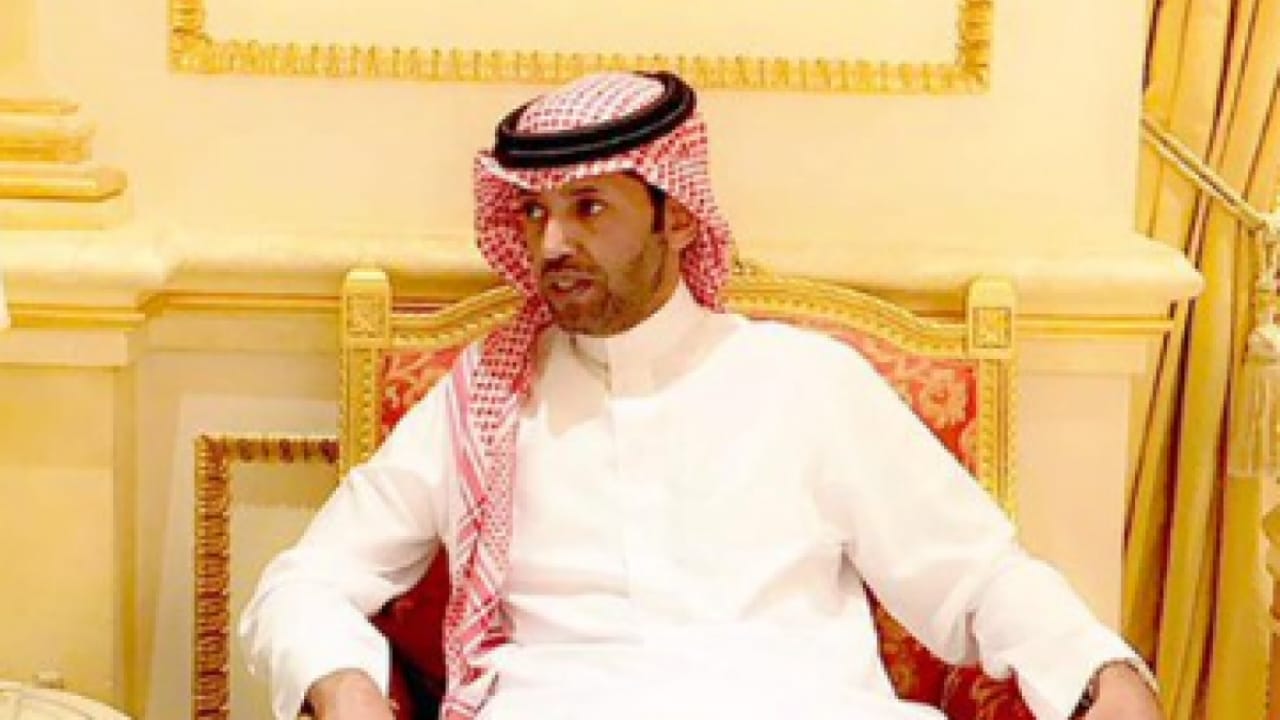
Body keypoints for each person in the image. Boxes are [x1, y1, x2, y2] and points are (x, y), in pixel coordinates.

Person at [241, 71, 1162, 720]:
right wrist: (346, 686)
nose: (551, 244)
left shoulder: (807, 382)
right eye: (534, 212)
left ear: (676, 216)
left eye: (589, 209)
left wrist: (1101, 673)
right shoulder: (483, 401)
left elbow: (976, 576)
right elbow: (305, 583)